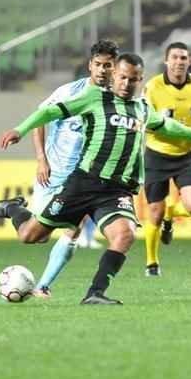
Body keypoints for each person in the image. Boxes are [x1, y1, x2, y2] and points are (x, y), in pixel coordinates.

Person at [0, 53, 191, 305]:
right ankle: (13, 208)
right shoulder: (94, 98)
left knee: (125, 235)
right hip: (83, 183)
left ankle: (95, 293)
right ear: (114, 76)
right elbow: (50, 112)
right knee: (31, 236)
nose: (126, 83)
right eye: (122, 77)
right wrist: (19, 130)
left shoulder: (142, 108)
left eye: (132, 79)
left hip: (115, 191)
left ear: (139, 80)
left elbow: (169, 127)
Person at [27, 40, 119, 298]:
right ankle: (11, 208)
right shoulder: (69, 93)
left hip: (83, 179)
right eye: (98, 64)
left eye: (108, 65)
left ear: (115, 68)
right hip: (54, 172)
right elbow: (41, 118)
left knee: (73, 228)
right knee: (38, 236)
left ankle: (43, 286)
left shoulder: (116, 100)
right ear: (90, 65)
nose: (102, 70)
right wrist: (41, 159)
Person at [140, 43, 191, 277]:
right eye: (174, 57)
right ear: (166, 61)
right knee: (154, 212)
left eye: (183, 58)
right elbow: (147, 122)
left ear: (189, 61)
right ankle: (152, 263)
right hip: (156, 154)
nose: (179, 62)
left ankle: (172, 213)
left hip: (184, 155)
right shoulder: (153, 87)